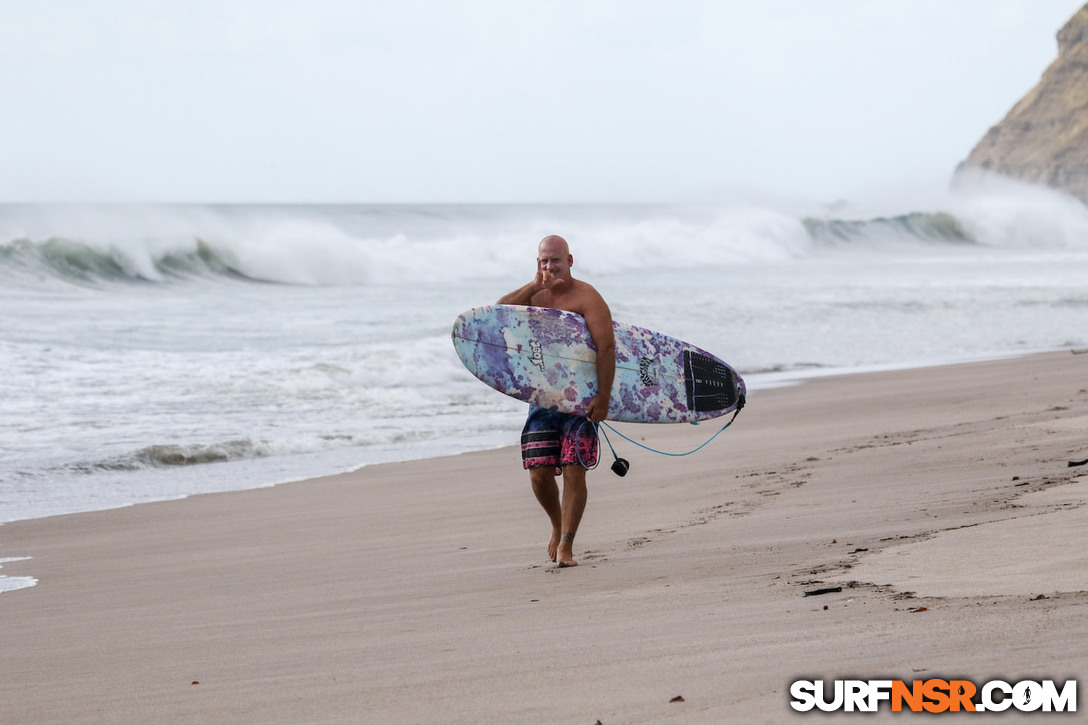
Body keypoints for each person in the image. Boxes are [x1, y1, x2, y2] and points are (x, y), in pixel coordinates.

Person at [498, 235, 615, 567]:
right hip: (543, 399)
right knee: (538, 473)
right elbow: (496, 317)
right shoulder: (535, 296)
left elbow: (607, 348)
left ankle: (567, 543)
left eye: (555, 261)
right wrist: (533, 285)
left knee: (575, 470)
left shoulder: (587, 297)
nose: (550, 266)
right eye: (544, 261)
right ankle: (555, 523)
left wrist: (603, 398)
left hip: (581, 401)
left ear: (570, 260)